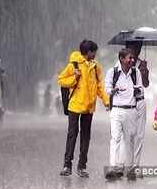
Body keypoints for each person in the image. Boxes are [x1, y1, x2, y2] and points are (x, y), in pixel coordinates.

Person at [58, 40, 109, 178]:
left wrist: (106, 101)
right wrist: (74, 77)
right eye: (94, 52)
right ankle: (67, 165)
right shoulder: (73, 64)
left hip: (89, 107)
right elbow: (61, 80)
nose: (95, 55)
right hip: (75, 106)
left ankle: (82, 166)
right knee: (72, 135)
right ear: (88, 52)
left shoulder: (95, 66)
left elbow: (99, 87)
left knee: (86, 137)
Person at [104, 48, 143, 181]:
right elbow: (107, 89)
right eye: (129, 58)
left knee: (129, 140)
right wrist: (113, 90)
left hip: (131, 110)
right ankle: (113, 167)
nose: (132, 60)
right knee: (115, 138)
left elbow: (141, 89)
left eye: (132, 58)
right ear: (121, 59)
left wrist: (137, 91)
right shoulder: (112, 72)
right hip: (116, 110)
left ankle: (130, 168)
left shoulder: (135, 72)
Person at [124, 41, 149, 174]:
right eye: (133, 48)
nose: (136, 51)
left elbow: (146, 84)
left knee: (139, 135)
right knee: (129, 135)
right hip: (127, 104)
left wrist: (144, 71)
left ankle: (136, 165)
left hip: (140, 102)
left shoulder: (141, 64)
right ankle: (128, 164)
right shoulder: (120, 65)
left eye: (138, 48)